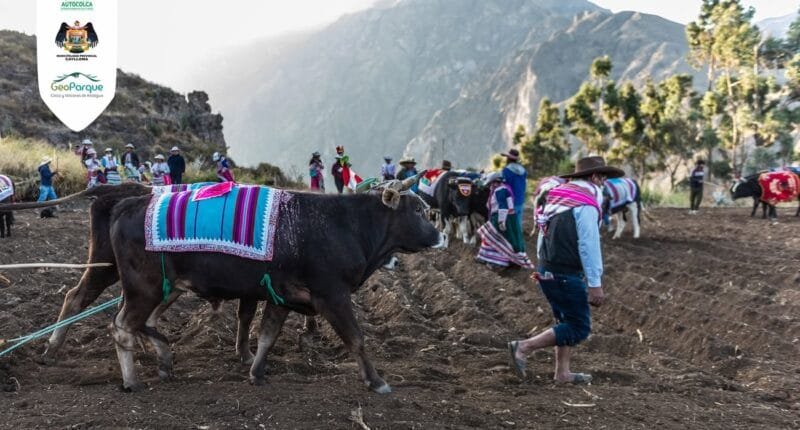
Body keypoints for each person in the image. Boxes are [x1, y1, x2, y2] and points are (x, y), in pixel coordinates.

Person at [508, 156, 623, 385]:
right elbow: (588, 244)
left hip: (547, 269)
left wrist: (543, 265)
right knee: (579, 328)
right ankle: (523, 347)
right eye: (603, 177)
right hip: (565, 273)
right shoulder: (585, 204)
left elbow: (542, 232)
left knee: (565, 320)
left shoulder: (559, 196)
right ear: (594, 177)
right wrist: (595, 283)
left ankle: (562, 373)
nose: (604, 182)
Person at [476, 172, 532, 269]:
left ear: (495, 182)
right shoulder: (501, 189)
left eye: (491, 184)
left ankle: (498, 262)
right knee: (497, 238)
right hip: (506, 217)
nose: (490, 186)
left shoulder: (500, 190)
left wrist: (501, 221)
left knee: (495, 238)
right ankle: (487, 257)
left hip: (502, 218)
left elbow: (503, 206)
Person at [502, 149, 527, 231]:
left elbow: (504, 186)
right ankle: (518, 239)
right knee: (518, 221)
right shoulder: (523, 171)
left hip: (510, 200)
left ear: (508, 159)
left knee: (510, 222)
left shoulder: (506, 170)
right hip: (520, 199)